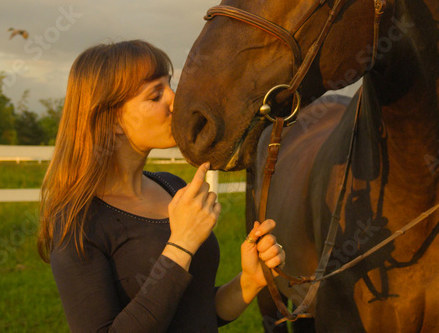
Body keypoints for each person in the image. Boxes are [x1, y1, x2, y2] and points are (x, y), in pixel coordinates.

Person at [37, 40, 285, 332]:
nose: (174, 100)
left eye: (170, 86)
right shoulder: (77, 224)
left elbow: (198, 312)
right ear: (112, 121)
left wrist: (250, 280)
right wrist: (182, 245)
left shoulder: (171, 186)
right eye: (155, 96)